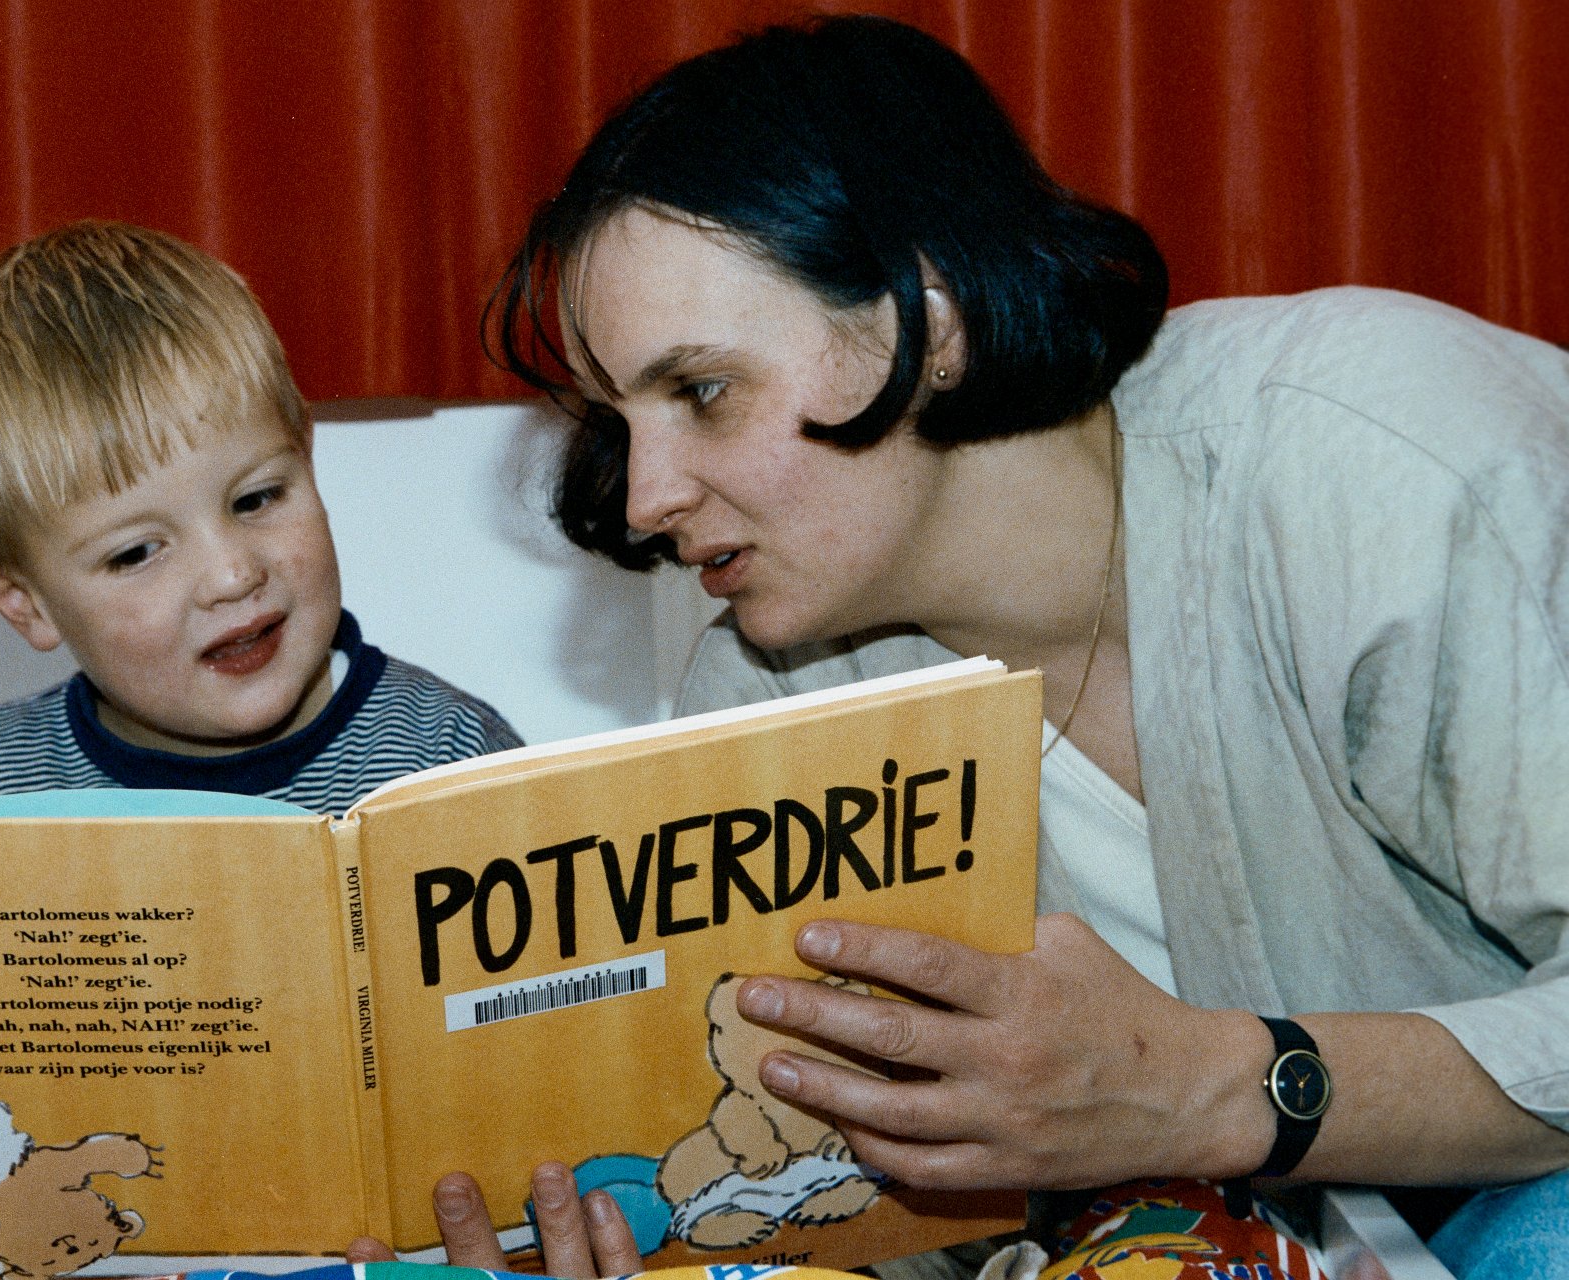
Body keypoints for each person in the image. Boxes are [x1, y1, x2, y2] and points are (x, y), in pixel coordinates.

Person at [383, 13, 1569, 1279]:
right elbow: (903, 1218)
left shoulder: (1376, 467)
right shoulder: (771, 698)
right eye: (620, 420)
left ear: (929, 319)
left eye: (704, 391)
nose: (643, 497)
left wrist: (1211, 1088)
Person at [0, 221, 521, 811]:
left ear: (306, 454)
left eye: (256, 499)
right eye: (136, 552)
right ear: (23, 601)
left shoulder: (455, 762)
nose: (232, 576)